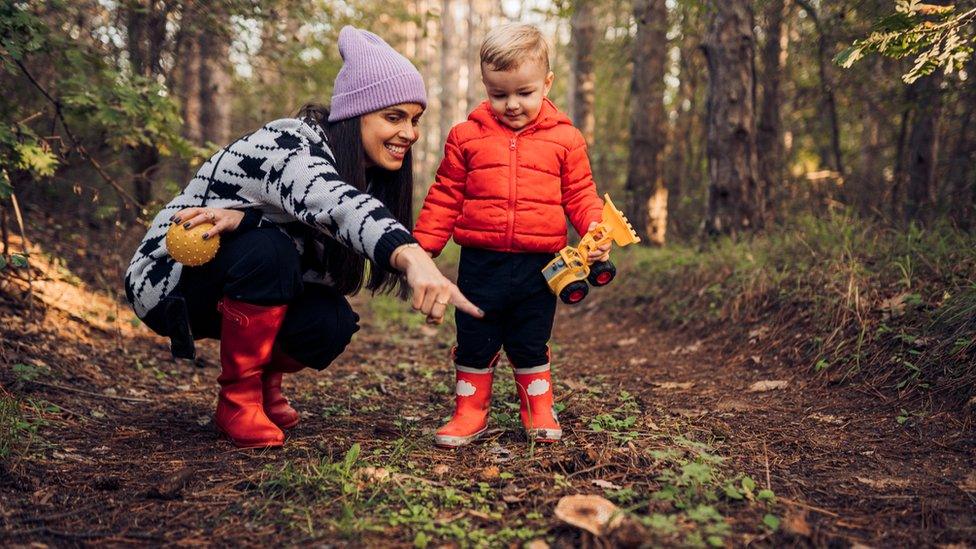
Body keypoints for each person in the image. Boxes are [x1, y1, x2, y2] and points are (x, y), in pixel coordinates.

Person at [124, 26, 481, 449]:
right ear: (355, 114)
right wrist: (413, 258)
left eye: (414, 120)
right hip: (168, 280)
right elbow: (338, 205)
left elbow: (316, 253)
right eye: (394, 117)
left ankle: (263, 387)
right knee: (268, 251)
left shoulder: (361, 173)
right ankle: (238, 400)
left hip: (235, 277)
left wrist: (248, 222)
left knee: (331, 322)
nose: (410, 133)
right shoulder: (291, 145)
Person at [413, 23, 610, 448]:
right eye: (499, 94)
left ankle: (537, 406)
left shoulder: (565, 139)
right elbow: (446, 195)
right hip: (480, 263)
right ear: (485, 85)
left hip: (540, 266)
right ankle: (470, 410)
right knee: (474, 338)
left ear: (547, 83)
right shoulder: (466, 137)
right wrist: (421, 250)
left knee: (530, 337)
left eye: (524, 92)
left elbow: (580, 193)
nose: (512, 104)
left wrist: (594, 228)